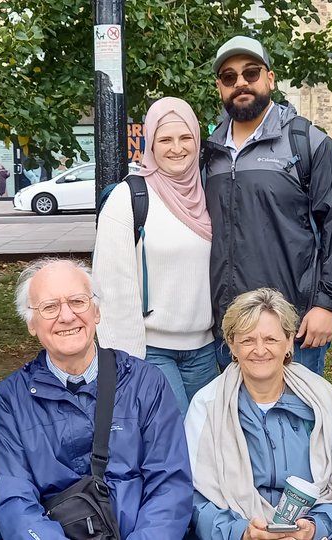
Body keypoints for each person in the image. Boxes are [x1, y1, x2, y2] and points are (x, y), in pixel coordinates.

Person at [0, 258, 193, 539]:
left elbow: (169, 486)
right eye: (49, 307)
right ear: (31, 324)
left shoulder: (146, 383)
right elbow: (14, 501)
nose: (67, 316)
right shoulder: (11, 400)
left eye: (77, 301)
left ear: (96, 311)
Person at [203, 35, 332, 377]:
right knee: (234, 412)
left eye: (251, 72)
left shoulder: (308, 143)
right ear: (219, 87)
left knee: (294, 412)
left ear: (270, 78)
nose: (241, 83)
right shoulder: (210, 153)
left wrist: (327, 304)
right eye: (229, 77)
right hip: (229, 328)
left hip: (293, 326)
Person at [185, 288, 332, 540]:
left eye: (271, 339)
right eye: (248, 340)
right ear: (232, 345)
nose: (260, 350)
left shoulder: (322, 399)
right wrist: (241, 533)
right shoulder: (207, 405)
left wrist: (316, 528)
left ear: (289, 341)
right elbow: (195, 496)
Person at [94, 96, 219, 414]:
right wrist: (126, 360)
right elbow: (111, 287)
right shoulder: (129, 198)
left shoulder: (210, 195)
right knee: (173, 434)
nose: (177, 148)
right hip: (152, 350)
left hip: (205, 350)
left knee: (207, 436)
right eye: (165, 139)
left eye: (185, 137)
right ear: (150, 143)